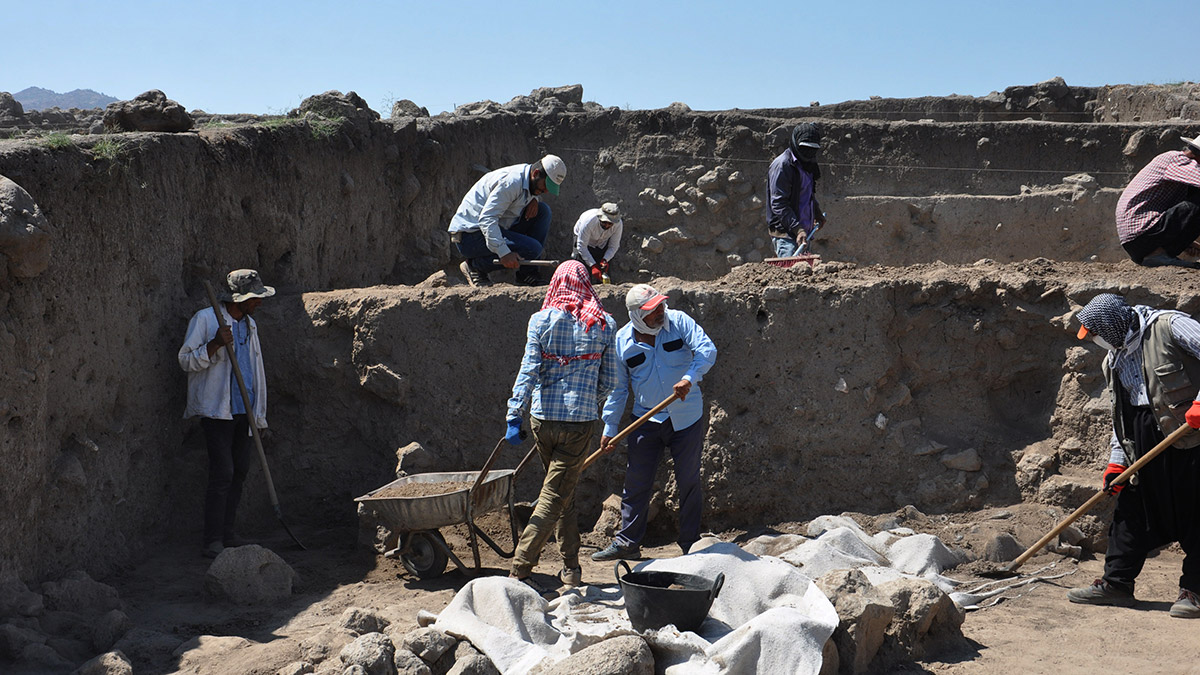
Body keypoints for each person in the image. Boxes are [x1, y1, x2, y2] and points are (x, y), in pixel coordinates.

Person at [1066, 293, 1200, 618]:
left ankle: (1195, 591)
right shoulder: (1113, 359)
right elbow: (1121, 417)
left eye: (1095, 332)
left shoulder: (1169, 326)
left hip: (1192, 437)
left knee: (1197, 511)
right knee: (1131, 511)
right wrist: (1117, 461)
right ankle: (1117, 584)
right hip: (1143, 443)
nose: (1094, 341)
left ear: (1110, 324)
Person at [506, 260, 617, 594]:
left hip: (542, 420)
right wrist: (586, 397)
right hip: (579, 422)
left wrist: (515, 411)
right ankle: (521, 566)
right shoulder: (604, 323)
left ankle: (571, 567)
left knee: (559, 492)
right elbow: (609, 380)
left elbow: (528, 370)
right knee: (556, 492)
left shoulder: (540, 320)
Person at [592, 284, 717, 561]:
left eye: (661, 306)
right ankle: (628, 543)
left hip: (686, 417)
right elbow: (618, 389)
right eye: (653, 310)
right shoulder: (622, 342)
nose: (661, 312)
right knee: (636, 482)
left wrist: (689, 378)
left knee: (688, 481)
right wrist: (610, 427)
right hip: (646, 419)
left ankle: (690, 544)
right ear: (636, 315)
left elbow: (707, 351)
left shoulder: (679, 321)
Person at [177, 269, 274, 559]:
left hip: (245, 409)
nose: (259, 302)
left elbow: (254, 370)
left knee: (240, 471)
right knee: (223, 473)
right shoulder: (207, 319)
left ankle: (229, 533)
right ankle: (212, 540)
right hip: (218, 412)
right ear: (240, 298)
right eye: (255, 298)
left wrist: (260, 414)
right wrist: (215, 344)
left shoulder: (250, 325)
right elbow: (184, 361)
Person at [448, 154, 567, 287]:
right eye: (545, 186)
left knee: (543, 211)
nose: (545, 191)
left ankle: (526, 275)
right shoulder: (511, 182)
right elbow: (487, 219)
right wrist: (504, 253)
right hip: (469, 236)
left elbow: (524, 195)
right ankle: (475, 267)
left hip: (494, 228)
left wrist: (534, 198)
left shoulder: (528, 179)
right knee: (532, 249)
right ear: (536, 173)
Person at [1115, 135, 1200, 268]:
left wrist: (1186, 241)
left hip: (1140, 239)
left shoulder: (1183, 172)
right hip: (1141, 234)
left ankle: (1160, 254)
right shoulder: (1177, 160)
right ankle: (1157, 255)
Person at [766, 122, 827, 258]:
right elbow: (779, 203)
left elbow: (807, 194)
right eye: (805, 148)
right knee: (791, 275)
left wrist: (816, 213)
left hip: (803, 233)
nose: (808, 153)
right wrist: (797, 229)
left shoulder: (807, 164)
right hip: (787, 235)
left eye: (813, 149)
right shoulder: (783, 165)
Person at [571, 202, 623, 284]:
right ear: (600, 217)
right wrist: (593, 265)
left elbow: (614, 246)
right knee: (582, 272)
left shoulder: (618, 224)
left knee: (603, 273)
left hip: (601, 243)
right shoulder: (588, 222)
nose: (607, 226)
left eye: (610, 223)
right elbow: (582, 246)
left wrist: (605, 259)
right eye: (604, 222)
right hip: (583, 242)